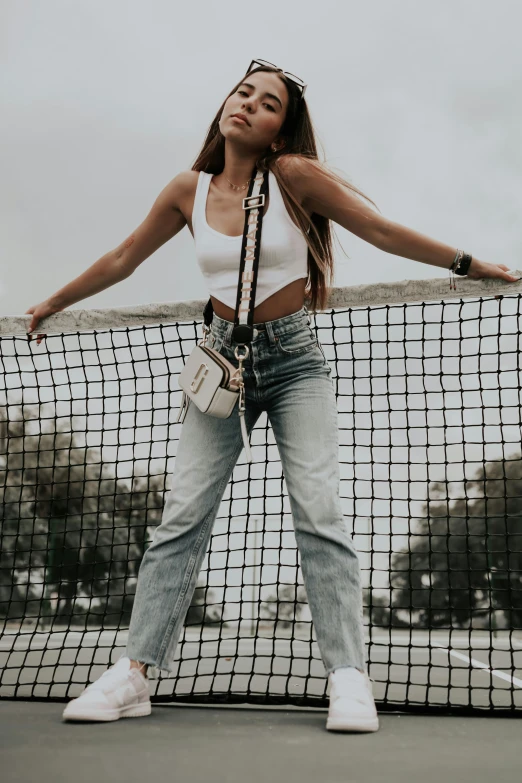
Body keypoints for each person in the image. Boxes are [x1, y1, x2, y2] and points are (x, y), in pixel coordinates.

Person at [26, 60, 520, 732]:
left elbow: (378, 228)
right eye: (243, 93)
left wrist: (468, 262)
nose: (249, 105)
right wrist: (54, 300)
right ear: (226, 104)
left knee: (318, 512)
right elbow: (122, 258)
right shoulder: (186, 190)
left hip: (294, 364)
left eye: (267, 104)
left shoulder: (291, 177)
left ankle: (347, 675)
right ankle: (135, 672)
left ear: (280, 132)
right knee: (180, 520)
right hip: (220, 362)